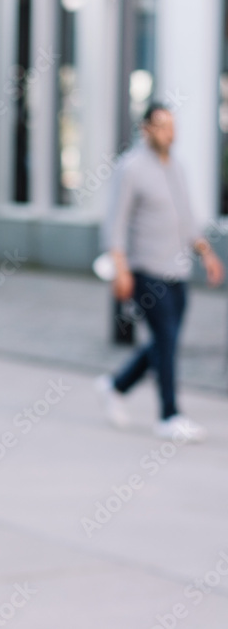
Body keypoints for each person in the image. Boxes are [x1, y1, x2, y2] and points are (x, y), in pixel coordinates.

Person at [97, 103, 224, 442]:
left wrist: (207, 254)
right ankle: (169, 415)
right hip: (146, 270)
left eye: (173, 126)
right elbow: (116, 224)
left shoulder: (176, 167)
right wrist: (121, 270)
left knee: (163, 342)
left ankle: (117, 385)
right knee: (166, 340)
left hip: (178, 269)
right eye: (164, 127)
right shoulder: (132, 168)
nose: (171, 133)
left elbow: (186, 217)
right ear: (147, 130)